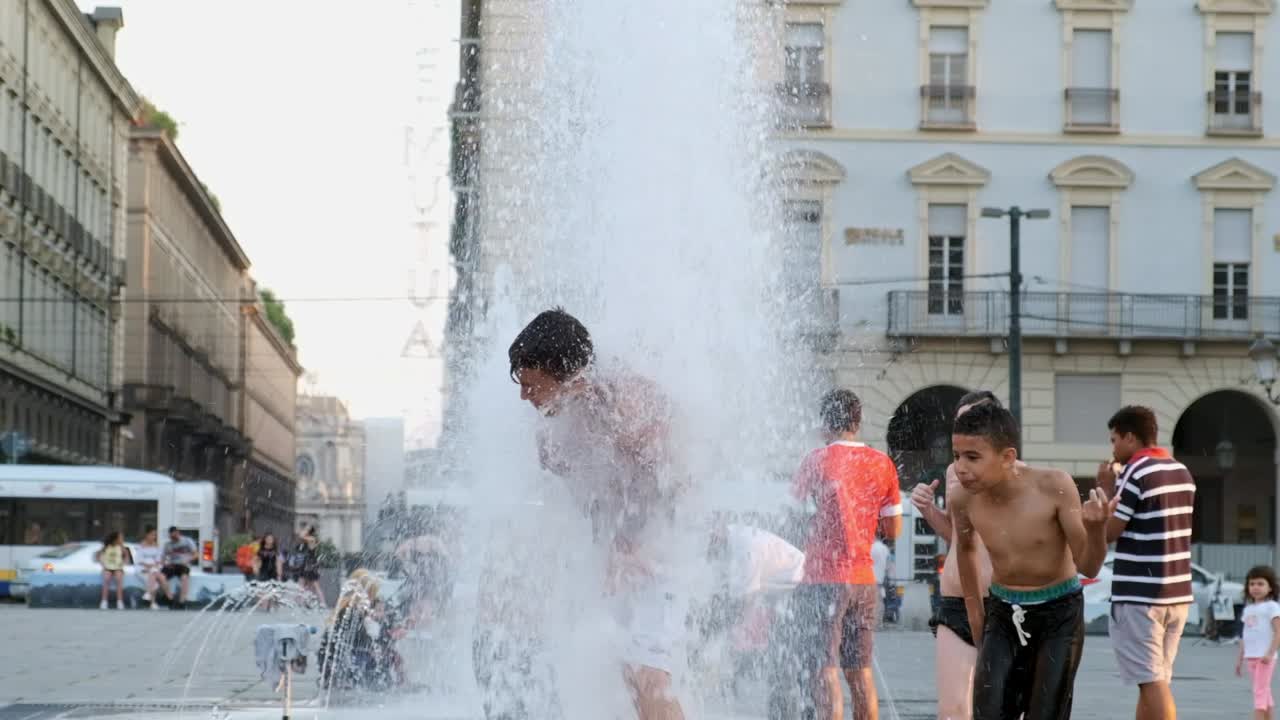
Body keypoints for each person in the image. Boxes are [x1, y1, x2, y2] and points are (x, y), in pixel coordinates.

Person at [510, 308, 688, 720]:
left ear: (564, 372)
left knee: (650, 679)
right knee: (632, 675)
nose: (525, 395)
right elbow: (596, 496)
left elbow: (670, 479)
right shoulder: (562, 428)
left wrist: (636, 546)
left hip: (659, 552)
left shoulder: (623, 402)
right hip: (624, 555)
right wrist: (609, 546)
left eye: (531, 382)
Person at [949, 402, 1112, 720]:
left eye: (972, 457)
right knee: (988, 711)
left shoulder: (1054, 486)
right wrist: (976, 615)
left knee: (1045, 713)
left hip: (1058, 614)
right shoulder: (962, 499)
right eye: (956, 456)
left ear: (1007, 457)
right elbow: (965, 549)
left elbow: (1089, 567)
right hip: (1002, 611)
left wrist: (1096, 530)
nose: (960, 468)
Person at [790, 389, 902, 720]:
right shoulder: (883, 464)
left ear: (825, 422)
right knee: (861, 672)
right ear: (858, 421)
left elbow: (792, 519)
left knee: (825, 670)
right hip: (864, 582)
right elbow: (893, 530)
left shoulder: (815, 460)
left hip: (822, 580)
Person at [1096, 406, 1196, 720]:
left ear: (1130, 437)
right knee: (1153, 681)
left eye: (1114, 440)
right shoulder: (1181, 471)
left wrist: (1106, 488)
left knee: (1152, 683)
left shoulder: (1136, 472)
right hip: (1177, 593)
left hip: (1141, 596)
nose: (1113, 448)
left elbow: (1110, 531)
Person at [910, 390, 1003, 719]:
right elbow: (958, 537)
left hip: (1000, 602)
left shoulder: (1014, 472)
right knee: (952, 710)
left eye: (972, 420)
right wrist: (927, 510)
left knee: (999, 706)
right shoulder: (953, 471)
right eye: (958, 422)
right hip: (956, 599)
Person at [1238, 565, 1280, 720]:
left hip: (1265, 658)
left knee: (1259, 692)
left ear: (1270, 587)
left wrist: (1270, 653)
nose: (1255, 587)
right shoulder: (1248, 609)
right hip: (1251, 657)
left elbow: (1278, 631)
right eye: (1252, 584)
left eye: (1260, 584)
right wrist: (1240, 658)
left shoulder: (1272, 607)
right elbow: (1244, 635)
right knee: (1264, 692)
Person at [160, 526, 197, 609]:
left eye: (175, 536)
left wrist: (188, 560)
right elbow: (163, 558)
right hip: (172, 565)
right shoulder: (168, 544)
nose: (173, 539)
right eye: (171, 537)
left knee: (184, 578)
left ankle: (182, 601)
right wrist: (165, 563)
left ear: (178, 533)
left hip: (183, 565)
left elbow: (195, 554)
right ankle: (170, 598)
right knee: (161, 576)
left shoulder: (187, 541)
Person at [135, 526, 164, 610]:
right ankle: (153, 602)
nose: (153, 537)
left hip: (154, 569)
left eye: (155, 535)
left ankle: (148, 594)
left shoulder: (157, 546)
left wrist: (154, 566)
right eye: (152, 535)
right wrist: (148, 567)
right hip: (142, 569)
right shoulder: (141, 546)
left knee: (154, 576)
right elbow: (138, 560)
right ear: (147, 535)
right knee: (153, 578)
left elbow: (158, 559)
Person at [97, 531, 126, 610]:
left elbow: (126, 556)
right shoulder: (106, 546)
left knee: (119, 580)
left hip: (118, 567)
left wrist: (123, 564)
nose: (122, 539)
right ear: (116, 538)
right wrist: (102, 564)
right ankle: (104, 601)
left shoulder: (121, 547)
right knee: (106, 580)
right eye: (120, 538)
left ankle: (120, 601)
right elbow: (99, 555)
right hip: (108, 567)